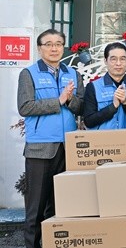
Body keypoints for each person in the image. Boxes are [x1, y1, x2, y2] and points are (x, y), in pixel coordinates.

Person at [17, 29, 85, 248]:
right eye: (48, 44)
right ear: (40, 48)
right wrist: (59, 100)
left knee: (59, 206)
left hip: (68, 147)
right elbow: (25, 107)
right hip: (41, 148)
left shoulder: (73, 73)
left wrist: (70, 100)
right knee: (35, 208)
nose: (54, 48)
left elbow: (81, 107)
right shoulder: (29, 74)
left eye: (58, 44)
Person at [83, 42, 126, 129]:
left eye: (122, 59)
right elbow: (88, 121)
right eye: (113, 59)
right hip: (102, 137)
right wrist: (113, 106)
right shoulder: (93, 87)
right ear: (105, 61)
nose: (118, 63)